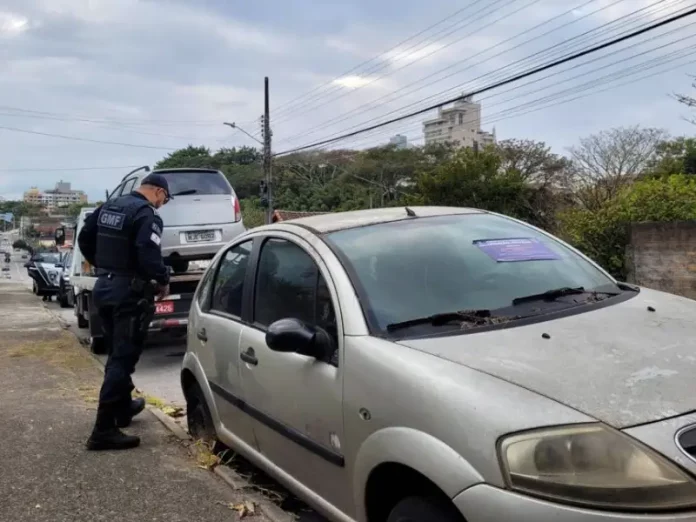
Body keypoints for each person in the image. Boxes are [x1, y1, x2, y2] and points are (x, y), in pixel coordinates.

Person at [78, 174, 172, 451]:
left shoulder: (110, 206)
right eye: (164, 199)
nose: (162, 205)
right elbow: (146, 250)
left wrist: (103, 266)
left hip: (104, 288)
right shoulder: (147, 214)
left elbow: (85, 236)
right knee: (123, 358)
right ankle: (103, 430)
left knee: (117, 353)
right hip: (128, 294)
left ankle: (123, 409)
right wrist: (162, 278)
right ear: (157, 192)